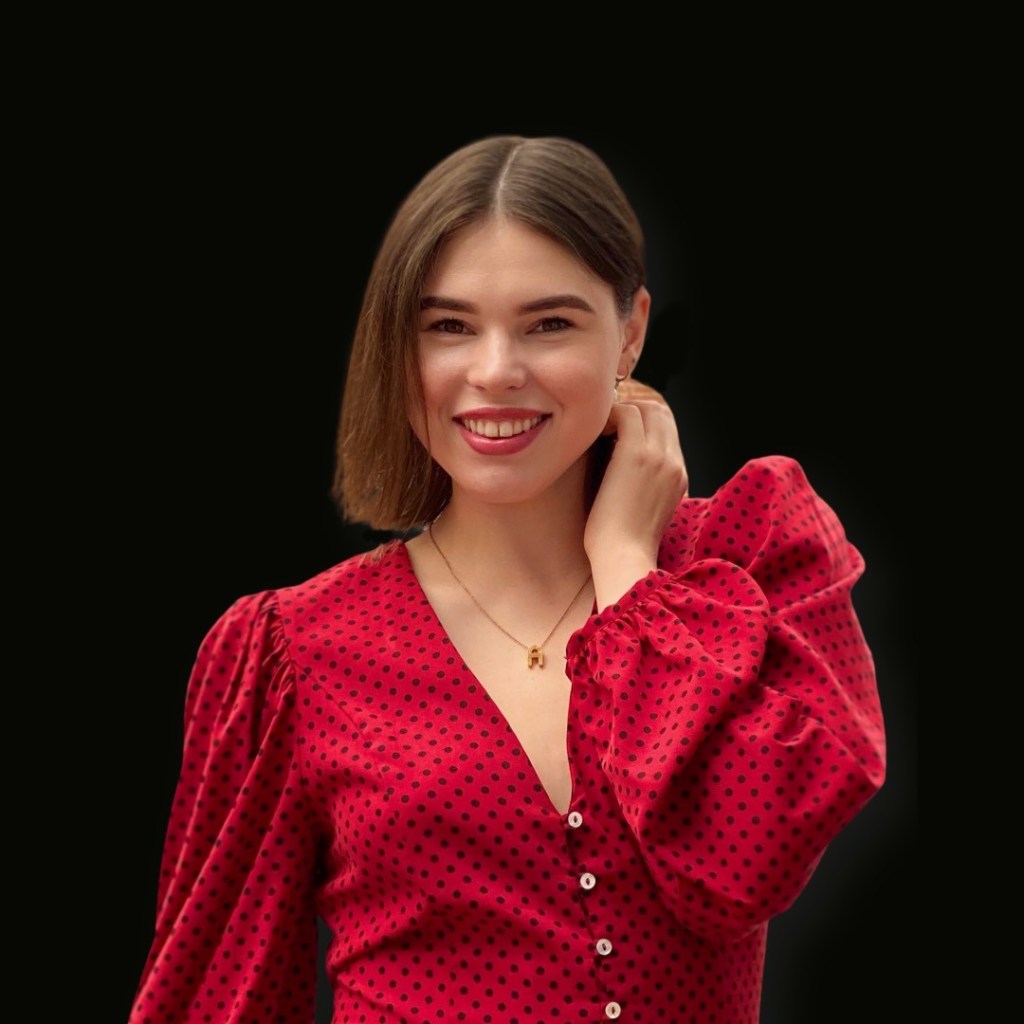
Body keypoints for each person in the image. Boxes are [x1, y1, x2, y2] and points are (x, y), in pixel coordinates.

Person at [129, 135, 886, 1023]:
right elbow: (217, 1001)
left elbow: (747, 864)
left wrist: (628, 570)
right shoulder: (288, 652)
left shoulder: (756, 559)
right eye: (449, 327)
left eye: (549, 324)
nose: (495, 372)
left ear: (631, 331)